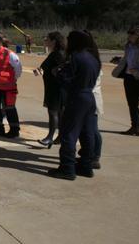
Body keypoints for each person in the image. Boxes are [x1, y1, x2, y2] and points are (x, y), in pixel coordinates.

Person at [47, 30, 100, 180]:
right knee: (87, 133)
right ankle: (85, 166)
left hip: (77, 97)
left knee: (68, 133)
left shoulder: (75, 57)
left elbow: (65, 78)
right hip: (89, 96)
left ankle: (67, 168)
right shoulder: (93, 57)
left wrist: (57, 73)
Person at [33, 32, 66, 148]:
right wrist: (41, 70)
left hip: (56, 88)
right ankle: (60, 136)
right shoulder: (55, 53)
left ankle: (50, 137)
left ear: (54, 41)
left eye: (47, 39)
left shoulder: (58, 54)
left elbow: (63, 69)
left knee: (53, 112)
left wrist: (54, 72)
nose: (45, 41)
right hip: (53, 87)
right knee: (59, 113)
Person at [0, 33, 22, 138]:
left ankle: (14, 130)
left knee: (9, 108)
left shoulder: (9, 54)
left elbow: (18, 69)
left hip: (7, 87)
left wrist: (13, 79)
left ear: (0, 41)